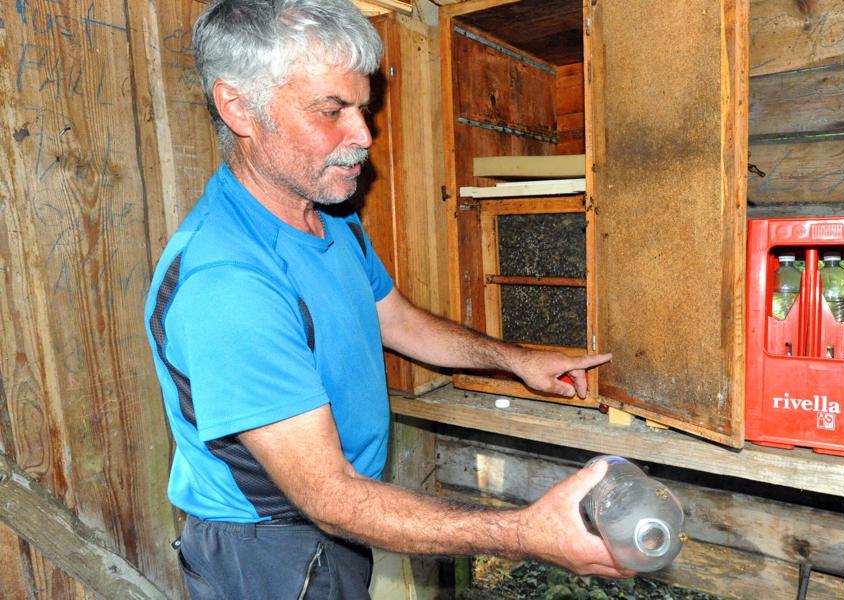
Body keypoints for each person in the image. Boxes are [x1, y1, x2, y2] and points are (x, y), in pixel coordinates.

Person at [143, 1, 631, 597]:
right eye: (332, 110)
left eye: (363, 108)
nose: (363, 136)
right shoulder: (228, 284)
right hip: (268, 551)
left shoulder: (328, 215)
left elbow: (396, 321)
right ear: (238, 107)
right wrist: (528, 532)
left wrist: (517, 359)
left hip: (338, 521)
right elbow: (331, 498)